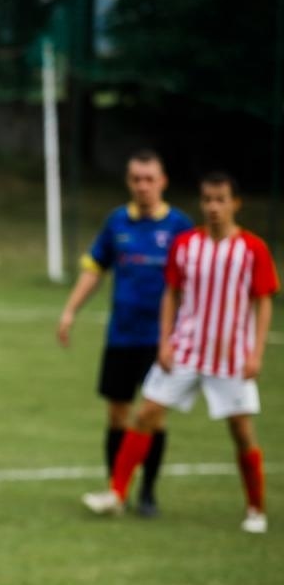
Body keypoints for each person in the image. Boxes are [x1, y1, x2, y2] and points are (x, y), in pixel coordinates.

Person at [84, 171, 276, 534]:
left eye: (221, 199)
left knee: (240, 430)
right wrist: (166, 342)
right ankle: (116, 493)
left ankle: (255, 508)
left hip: (229, 354)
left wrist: (256, 353)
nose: (214, 207)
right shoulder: (186, 244)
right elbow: (171, 293)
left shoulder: (252, 249)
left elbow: (263, 301)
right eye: (207, 200)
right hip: (187, 347)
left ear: (235, 203)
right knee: (146, 413)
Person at [57, 150, 193, 516]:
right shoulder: (117, 222)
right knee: (117, 415)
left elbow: (196, 283)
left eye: (150, 179)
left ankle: (147, 492)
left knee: (152, 417)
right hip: (121, 336)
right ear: (128, 181)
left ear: (162, 181)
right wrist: (70, 311)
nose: (143, 186)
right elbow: (94, 269)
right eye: (136, 179)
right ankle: (116, 489)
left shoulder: (180, 227)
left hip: (162, 340)